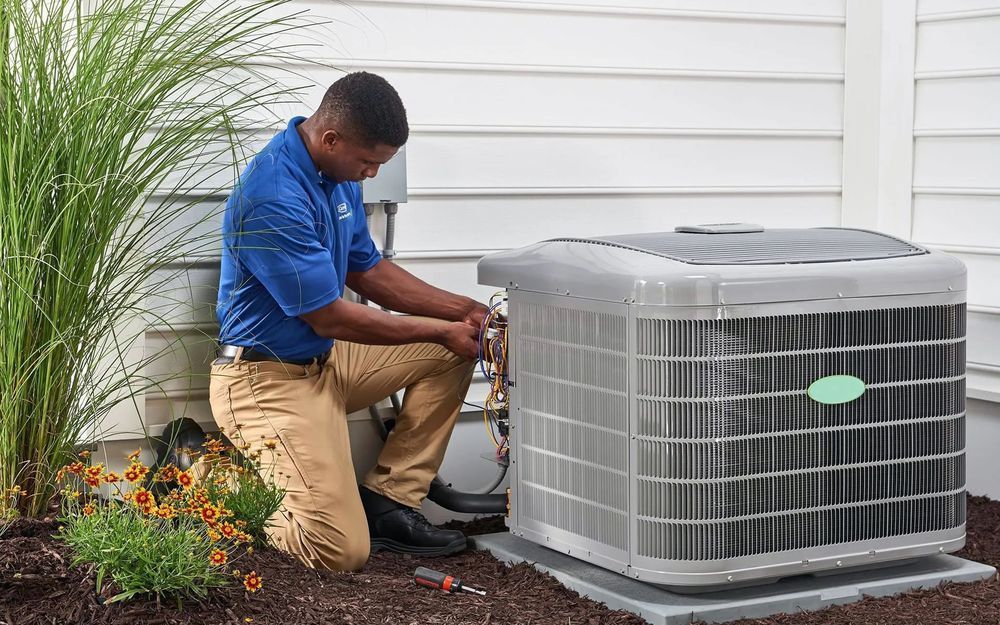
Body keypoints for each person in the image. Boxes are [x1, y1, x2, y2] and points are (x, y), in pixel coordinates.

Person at [209, 71, 487, 571]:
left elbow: (369, 269)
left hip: (325, 364)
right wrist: (440, 326)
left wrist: (465, 312)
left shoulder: (336, 177)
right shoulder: (273, 195)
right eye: (367, 162)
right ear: (330, 138)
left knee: (450, 350)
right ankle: (203, 478)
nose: (372, 175)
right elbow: (329, 316)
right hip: (265, 380)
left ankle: (391, 503)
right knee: (338, 551)